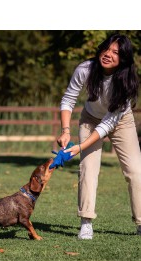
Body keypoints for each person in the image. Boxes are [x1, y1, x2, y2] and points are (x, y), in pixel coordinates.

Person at [57, 33, 141, 239]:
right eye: (106, 49)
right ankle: (86, 222)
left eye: (115, 53)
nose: (108, 54)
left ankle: (140, 222)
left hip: (121, 122)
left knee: (136, 171)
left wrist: (80, 146)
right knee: (88, 169)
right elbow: (68, 98)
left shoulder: (127, 81)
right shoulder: (85, 69)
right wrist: (66, 131)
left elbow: (108, 124)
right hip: (90, 118)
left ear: (123, 59)